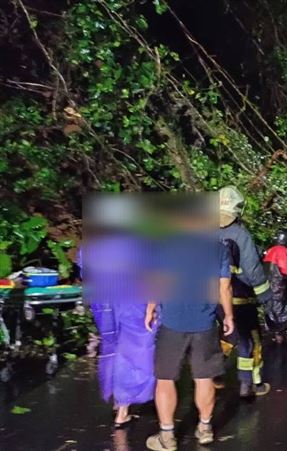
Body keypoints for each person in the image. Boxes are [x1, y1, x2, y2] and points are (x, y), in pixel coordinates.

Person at [145, 207, 234, 451]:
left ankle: (167, 437)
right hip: (204, 322)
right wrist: (228, 316)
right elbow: (224, 288)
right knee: (204, 378)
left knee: (165, 379)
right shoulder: (218, 248)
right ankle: (204, 428)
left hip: (172, 322)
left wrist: (150, 308)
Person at [79, 198, 156, 428]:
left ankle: (116, 397)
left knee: (111, 346)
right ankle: (123, 407)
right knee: (134, 350)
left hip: (103, 301)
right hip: (132, 301)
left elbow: (85, 270)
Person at [218, 186, 272, 398]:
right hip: (239, 297)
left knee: (224, 336)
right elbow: (253, 270)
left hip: (211, 298)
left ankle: (213, 375)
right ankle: (249, 384)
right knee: (249, 340)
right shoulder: (240, 234)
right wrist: (266, 297)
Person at [262, 229, 287, 338]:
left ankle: (273, 328)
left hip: (268, 286)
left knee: (272, 307)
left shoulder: (270, 251)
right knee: (281, 309)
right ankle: (280, 329)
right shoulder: (282, 251)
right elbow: (286, 268)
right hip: (280, 286)